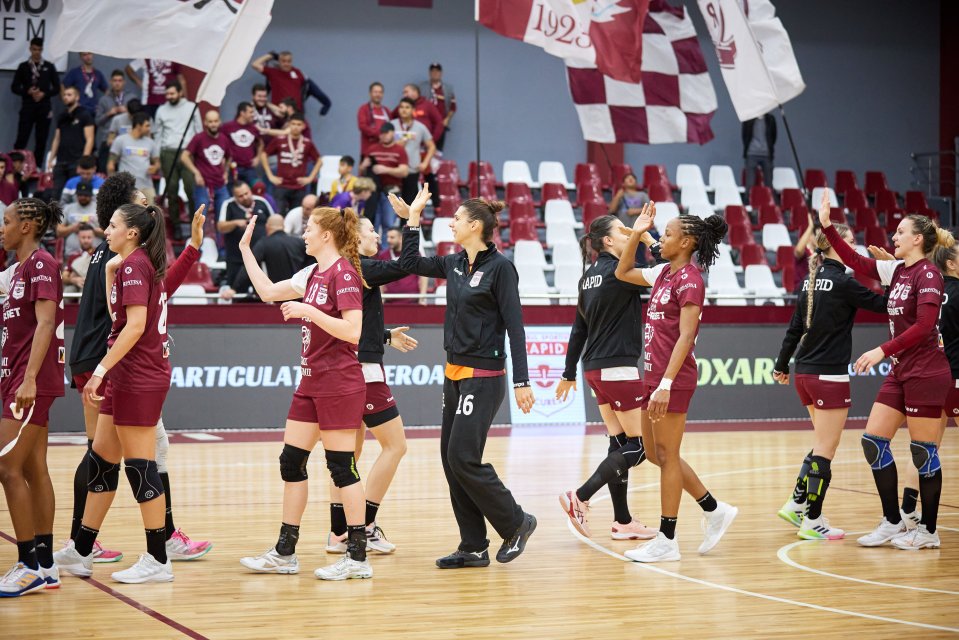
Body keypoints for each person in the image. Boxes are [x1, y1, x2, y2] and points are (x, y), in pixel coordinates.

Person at [58, 172, 211, 574]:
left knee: (142, 465)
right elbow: (117, 316)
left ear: (130, 231)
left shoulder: (136, 265)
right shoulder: (132, 264)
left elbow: (134, 326)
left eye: (111, 225)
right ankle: (81, 548)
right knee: (104, 458)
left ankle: (158, 557)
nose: (104, 228)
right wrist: (111, 272)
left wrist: (100, 370)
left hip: (137, 374)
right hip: (126, 372)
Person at [392, 187, 538, 568]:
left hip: (485, 377)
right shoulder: (454, 264)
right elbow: (410, 262)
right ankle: (473, 545)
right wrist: (412, 219)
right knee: (450, 459)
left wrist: (522, 381)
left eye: (456, 219)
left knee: (463, 456)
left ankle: (517, 521)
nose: (451, 223)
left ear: (475, 226)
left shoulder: (501, 268)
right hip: (454, 375)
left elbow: (516, 327)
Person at [237, 206, 373, 581]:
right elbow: (266, 292)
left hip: (339, 383)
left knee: (342, 468)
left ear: (326, 235)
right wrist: (246, 250)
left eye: (310, 228)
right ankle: (285, 551)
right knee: (290, 462)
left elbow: (353, 331)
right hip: (310, 382)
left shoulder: (343, 272)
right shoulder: (310, 273)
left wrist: (307, 311)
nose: (304, 234)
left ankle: (358, 557)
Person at [817, 192, 950, 550]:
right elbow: (856, 261)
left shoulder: (929, 275)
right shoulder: (897, 269)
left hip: (925, 372)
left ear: (917, 239)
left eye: (901, 232)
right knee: (873, 441)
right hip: (901, 371)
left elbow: (924, 326)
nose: (894, 237)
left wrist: (881, 350)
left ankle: (928, 531)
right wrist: (827, 226)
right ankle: (893, 521)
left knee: (923, 451)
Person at [612, 204, 738, 562]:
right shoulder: (663, 273)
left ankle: (667, 539)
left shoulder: (691, 280)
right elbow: (623, 271)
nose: (661, 240)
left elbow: (686, 337)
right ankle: (714, 510)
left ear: (686, 242)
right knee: (654, 454)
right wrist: (637, 231)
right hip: (652, 376)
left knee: (668, 457)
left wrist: (666, 383)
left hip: (674, 379)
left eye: (666, 234)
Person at [772, 223, 887, 539]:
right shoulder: (844, 283)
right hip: (829, 375)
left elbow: (794, 330)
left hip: (805, 373)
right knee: (826, 447)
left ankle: (797, 505)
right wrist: (893, 275)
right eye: (851, 241)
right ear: (836, 245)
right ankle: (813, 520)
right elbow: (886, 305)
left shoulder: (808, 283)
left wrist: (781, 365)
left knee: (820, 442)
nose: (855, 247)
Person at [324, 217, 429, 555]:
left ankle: (339, 533)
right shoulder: (361, 267)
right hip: (363, 369)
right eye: (371, 230)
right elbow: (408, 265)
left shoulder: (340, 269)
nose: (377, 235)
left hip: (344, 364)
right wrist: (412, 223)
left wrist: (383, 335)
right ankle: (365, 526)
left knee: (347, 455)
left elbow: (350, 321)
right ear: (354, 237)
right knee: (395, 446)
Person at [556, 215, 662, 542]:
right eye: (622, 230)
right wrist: (646, 240)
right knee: (641, 446)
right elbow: (668, 271)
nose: (627, 233)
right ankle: (581, 496)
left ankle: (622, 521)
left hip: (594, 369)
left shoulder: (587, 277)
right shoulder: (621, 273)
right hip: (618, 368)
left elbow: (579, 329)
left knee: (618, 444)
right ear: (608, 241)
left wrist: (568, 372)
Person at [0, 198, 64, 597]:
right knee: (33, 467)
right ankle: (46, 561)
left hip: (29, 382)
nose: (1, 227)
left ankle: (28, 565)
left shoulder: (41, 263)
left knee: (6, 466)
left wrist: (29, 379)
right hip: (17, 379)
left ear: (28, 225)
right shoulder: (15, 271)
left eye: (5, 221)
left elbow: (46, 322)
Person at [225, 214, 306, 300]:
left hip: (276, 296)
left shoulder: (264, 243)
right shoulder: (299, 242)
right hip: (299, 294)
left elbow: (250, 265)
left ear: (267, 227)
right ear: (283, 226)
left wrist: (234, 288)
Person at [155, 81, 201, 223]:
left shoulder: (192, 107)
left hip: (188, 152)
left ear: (180, 93)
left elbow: (199, 131)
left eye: (172, 93)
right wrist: (157, 157)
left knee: (190, 188)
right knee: (172, 190)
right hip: (168, 152)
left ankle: (195, 223)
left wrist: (199, 153)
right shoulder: (161, 110)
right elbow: (158, 135)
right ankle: (176, 226)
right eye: (167, 94)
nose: (169, 96)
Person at [260, 113, 320, 213]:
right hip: (282, 185)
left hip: (299, 186)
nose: (296, 127)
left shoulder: (307, 143)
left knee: (297, 214)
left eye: (299, 124)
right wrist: (270, 176)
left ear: (303, 126)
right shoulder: (279, 140)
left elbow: (319, 161)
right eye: (293, 124)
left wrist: (310, 178)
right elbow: (263, 155)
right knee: (279, 214)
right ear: (289, 125)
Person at [217, 181, 274, 286]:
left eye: (246, 193)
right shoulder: (228, 205)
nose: (245, 197)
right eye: (240, 196)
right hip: (236, 258)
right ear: (234, 196)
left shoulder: (262, 202)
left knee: (262, 291)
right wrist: (235, 223)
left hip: (260, 258)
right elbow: (221, 227)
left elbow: (274, 221)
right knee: (236, 290)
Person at [11, 38, 60, 161]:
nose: (37, 52)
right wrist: (27, 92)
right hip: (28, 106)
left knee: (41, 139)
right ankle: (15, 166)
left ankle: (37, 169)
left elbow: (57, 88)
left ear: (42, 49)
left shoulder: (49, 66)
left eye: (39, 49)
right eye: (34, 49)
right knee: (22, 138)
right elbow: (14, 87)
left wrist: (44, 94)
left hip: (44, 107)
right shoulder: (23, 67)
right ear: (30, 49)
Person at [360, 123, 408, 236]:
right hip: (373, 191)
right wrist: (363, 166)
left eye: (387, 133)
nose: (384, 136)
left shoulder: (399, 150)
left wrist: (385, 169)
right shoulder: (372, 149)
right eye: (382, 133)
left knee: (388, 223)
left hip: (391, 190)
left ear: (393, 133)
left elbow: (404, 172)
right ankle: (373, 251)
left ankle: (387, 251)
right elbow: (361, 171)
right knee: (372, 222)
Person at [182, 110, 231, 219]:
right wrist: (196, 173)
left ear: (220, 122)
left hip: (220, 184)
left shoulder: (224, 139)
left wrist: (226, 172)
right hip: (203, 185)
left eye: (215, 121)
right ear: (205, 123)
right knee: (200, 220)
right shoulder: (198, 138)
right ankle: (199, 237)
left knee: (223, 218)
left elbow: (229, 157)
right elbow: (184, 156)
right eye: (210, 121)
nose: (213, 124)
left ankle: (220, 237)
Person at [48, 86, 95, 199]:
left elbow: (90, 139)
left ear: (77, 97)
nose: (66, 97)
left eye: (69, 95)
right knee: (55, 194)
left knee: (74, 194)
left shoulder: (84, 114)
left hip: (76, 161)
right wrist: (51, 159)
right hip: (60, 162)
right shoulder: (62, 116)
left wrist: (83, 162)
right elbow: (57, 138)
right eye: (64, 95)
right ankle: (55, 216)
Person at [108, 112, 160, 203]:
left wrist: (155, 167)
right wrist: (113, 185)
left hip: (146, 185)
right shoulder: (120, 140)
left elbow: (157, 162)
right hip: (127, 187)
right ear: (138, 126)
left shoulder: (150, 142)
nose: (149, 129)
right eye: (147, 126)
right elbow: (111, 164)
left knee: (152, 213)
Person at [391, 98, 435, 203]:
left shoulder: (420, 127)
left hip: (412, 169)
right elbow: (382, 144)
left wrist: (425, 163)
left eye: (407, 107)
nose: (404, 110)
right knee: (392, 202)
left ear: (413, 110)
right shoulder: (391, 125)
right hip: (394, 170)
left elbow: (432, 146)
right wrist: (394, 145)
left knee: (409, 202)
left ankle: (406, 220)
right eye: (401, 107)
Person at [377, 227, 427, 304]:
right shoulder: (383, 255)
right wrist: (381, 297)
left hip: (412, 301)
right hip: (389, 302)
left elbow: (423, 276)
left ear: (401, 238)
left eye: (392, 237)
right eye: (387, 237)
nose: (388, 240)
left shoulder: (413, 254)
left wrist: (422, 297)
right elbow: (379, 278)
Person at [222, 102, 263, 188]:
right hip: (233, 168)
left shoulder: (254, 128)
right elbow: (220, 143)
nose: (253, 115)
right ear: (242, 113)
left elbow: (260, 143)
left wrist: (258, 157)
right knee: (233, 192)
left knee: (255, 190)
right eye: (250, 112)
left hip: (249, 169)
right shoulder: (227, 127)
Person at [95, 70, 129, 171]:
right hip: (107, 140)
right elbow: (97, 121)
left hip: (126, 140)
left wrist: (128, 111)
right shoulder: (104, 100)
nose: (117, 83)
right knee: (105, 170)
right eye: (115, 80)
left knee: (124, 172)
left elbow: (138, 118)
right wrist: (108, 113)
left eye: (120, 80)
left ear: (124, 82)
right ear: (110, 82)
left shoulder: (131, 98)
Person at [57, 180, 101, 257]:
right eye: (80, 195)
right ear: (76, 195)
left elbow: (108, 232)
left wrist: (92, 229)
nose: (83, 197)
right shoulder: (68, 208)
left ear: (91, 195)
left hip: (96, 254)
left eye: (86, 195)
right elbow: (58, 231)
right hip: (72, 254)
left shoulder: (99, 208)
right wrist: (73, 228)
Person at [419, 62, 456, 151]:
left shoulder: (448, 89)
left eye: (437, 71)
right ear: (429, 73)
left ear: (441, 73)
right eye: (433, 71)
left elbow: (453, 107)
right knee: (423, 149)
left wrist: (447, 120)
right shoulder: (421, 87)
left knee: (438, 151)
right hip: (425, 124)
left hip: (440, 125)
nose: (435, 73)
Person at [62, 52, 108, 117]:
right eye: (85, 55)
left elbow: (107, 90)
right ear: (81, 57)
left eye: (89, 54)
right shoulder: (75, 72)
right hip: (78, 111)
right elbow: (63, 86)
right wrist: (66, 102)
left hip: (93, 112)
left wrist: (102, 105)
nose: (88, 57)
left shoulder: (98, 74)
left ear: (92, 54)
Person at [742, 112, 776, 191]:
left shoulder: (770, 119)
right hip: (751, 153)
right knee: (750, 183)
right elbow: (745, 135)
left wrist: (768, 147)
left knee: (769, 183)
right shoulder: (748, 119)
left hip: (766, 154)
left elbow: (773, 136)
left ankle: (770, 202)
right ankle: (749, 202)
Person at [357, 82, 390, 160]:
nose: (378, 95)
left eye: (380, 92)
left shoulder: (386, 110)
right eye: (375, 92)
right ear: (370, 93)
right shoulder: (364, 109)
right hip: (368, 152)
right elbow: (362, 126)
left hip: (385, 152)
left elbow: (391, 127)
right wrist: (380, 135)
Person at [63, 223, 97, 295]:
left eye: (89, 237)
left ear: (93, 237)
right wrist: (73, 280)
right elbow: (64, 277)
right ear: (78, 237)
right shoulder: (73, 256)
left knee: (85, 291)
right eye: (83, 237)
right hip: (75, 285)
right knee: (67, 291)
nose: (86, 240)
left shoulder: (98, 254)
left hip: (92, 286)